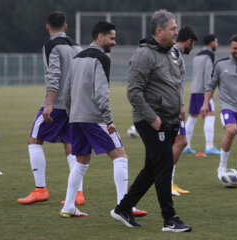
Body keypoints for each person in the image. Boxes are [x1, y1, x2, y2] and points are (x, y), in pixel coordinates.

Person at [110, 9, 191, 232]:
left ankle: (123, 208)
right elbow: (133, 92)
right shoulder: (144, 55)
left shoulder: (172, 52)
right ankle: (170, 219)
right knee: (164, 164)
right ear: (159, 31)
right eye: (173, 29)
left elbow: (176, 83)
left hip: (170, 119)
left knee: (152, 168)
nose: (177, 32)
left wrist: (180, 105)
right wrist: (153, 118)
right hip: (152, 121)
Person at [61, 21, 147, 218]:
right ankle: (123, 206)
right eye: (112, 38)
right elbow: (101, 93)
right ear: (100, 37)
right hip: (95, 118)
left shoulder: (77, 58)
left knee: (81, 162)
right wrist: (108, 119)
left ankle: (68, 206)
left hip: (76, 119)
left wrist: (71, 114)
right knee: (121, 157)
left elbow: (66, 92)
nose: (114, 42)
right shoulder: (101, 58)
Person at [17, 11, 85, 205]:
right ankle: (78, 194)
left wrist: (48, 105)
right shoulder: (77, 46)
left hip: (56, 105)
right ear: (66, 26)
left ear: (47, 27)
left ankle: (40, 190)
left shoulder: (51, 45)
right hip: (74, 104)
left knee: (34, 140)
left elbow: (53, 76)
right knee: (70, 145)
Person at [200, 34, 237, 186]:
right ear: (230, 48)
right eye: (235, 48)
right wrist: (205, 103)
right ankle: (221, 167)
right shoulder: (220, 65)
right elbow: (211, 85)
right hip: (227, 107)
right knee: (231, 130)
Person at [183, 34, 221, 156]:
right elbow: (207, 74)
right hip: (204, 90)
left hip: (194, 89)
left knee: (192, 117)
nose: (217, 44)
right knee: (210, 115)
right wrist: (209, 91)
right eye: (216, 41)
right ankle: (209, 146)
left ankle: (186, 145)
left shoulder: (197, 56)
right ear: (211, 43)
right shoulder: (209, 55)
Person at [171, 26, 197, 196]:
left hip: (173, 105)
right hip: (171, 107)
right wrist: (179, 105)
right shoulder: (174, 53)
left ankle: (169, 182)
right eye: (193, 44)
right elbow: (173, 81)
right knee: (180, 141)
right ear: (188, 42)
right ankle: (166, 182)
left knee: (180, 142)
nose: (193, 48)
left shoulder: (175, 53)